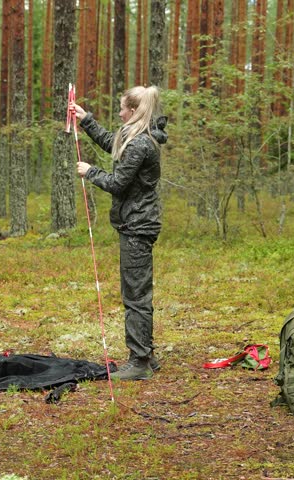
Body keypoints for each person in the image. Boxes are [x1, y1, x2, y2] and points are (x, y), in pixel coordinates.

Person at [69, 86, 168, 380]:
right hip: (135, 223)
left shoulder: (140, 144)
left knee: (135, 295)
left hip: (138, 226)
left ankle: (139, 362)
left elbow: (118, 182)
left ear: (134, 111)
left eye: (123, 108)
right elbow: (110, 143)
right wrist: (86, 119)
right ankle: (145, 355)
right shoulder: (134, 137)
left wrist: (90, 172)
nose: (120, 112)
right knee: (136, 292)